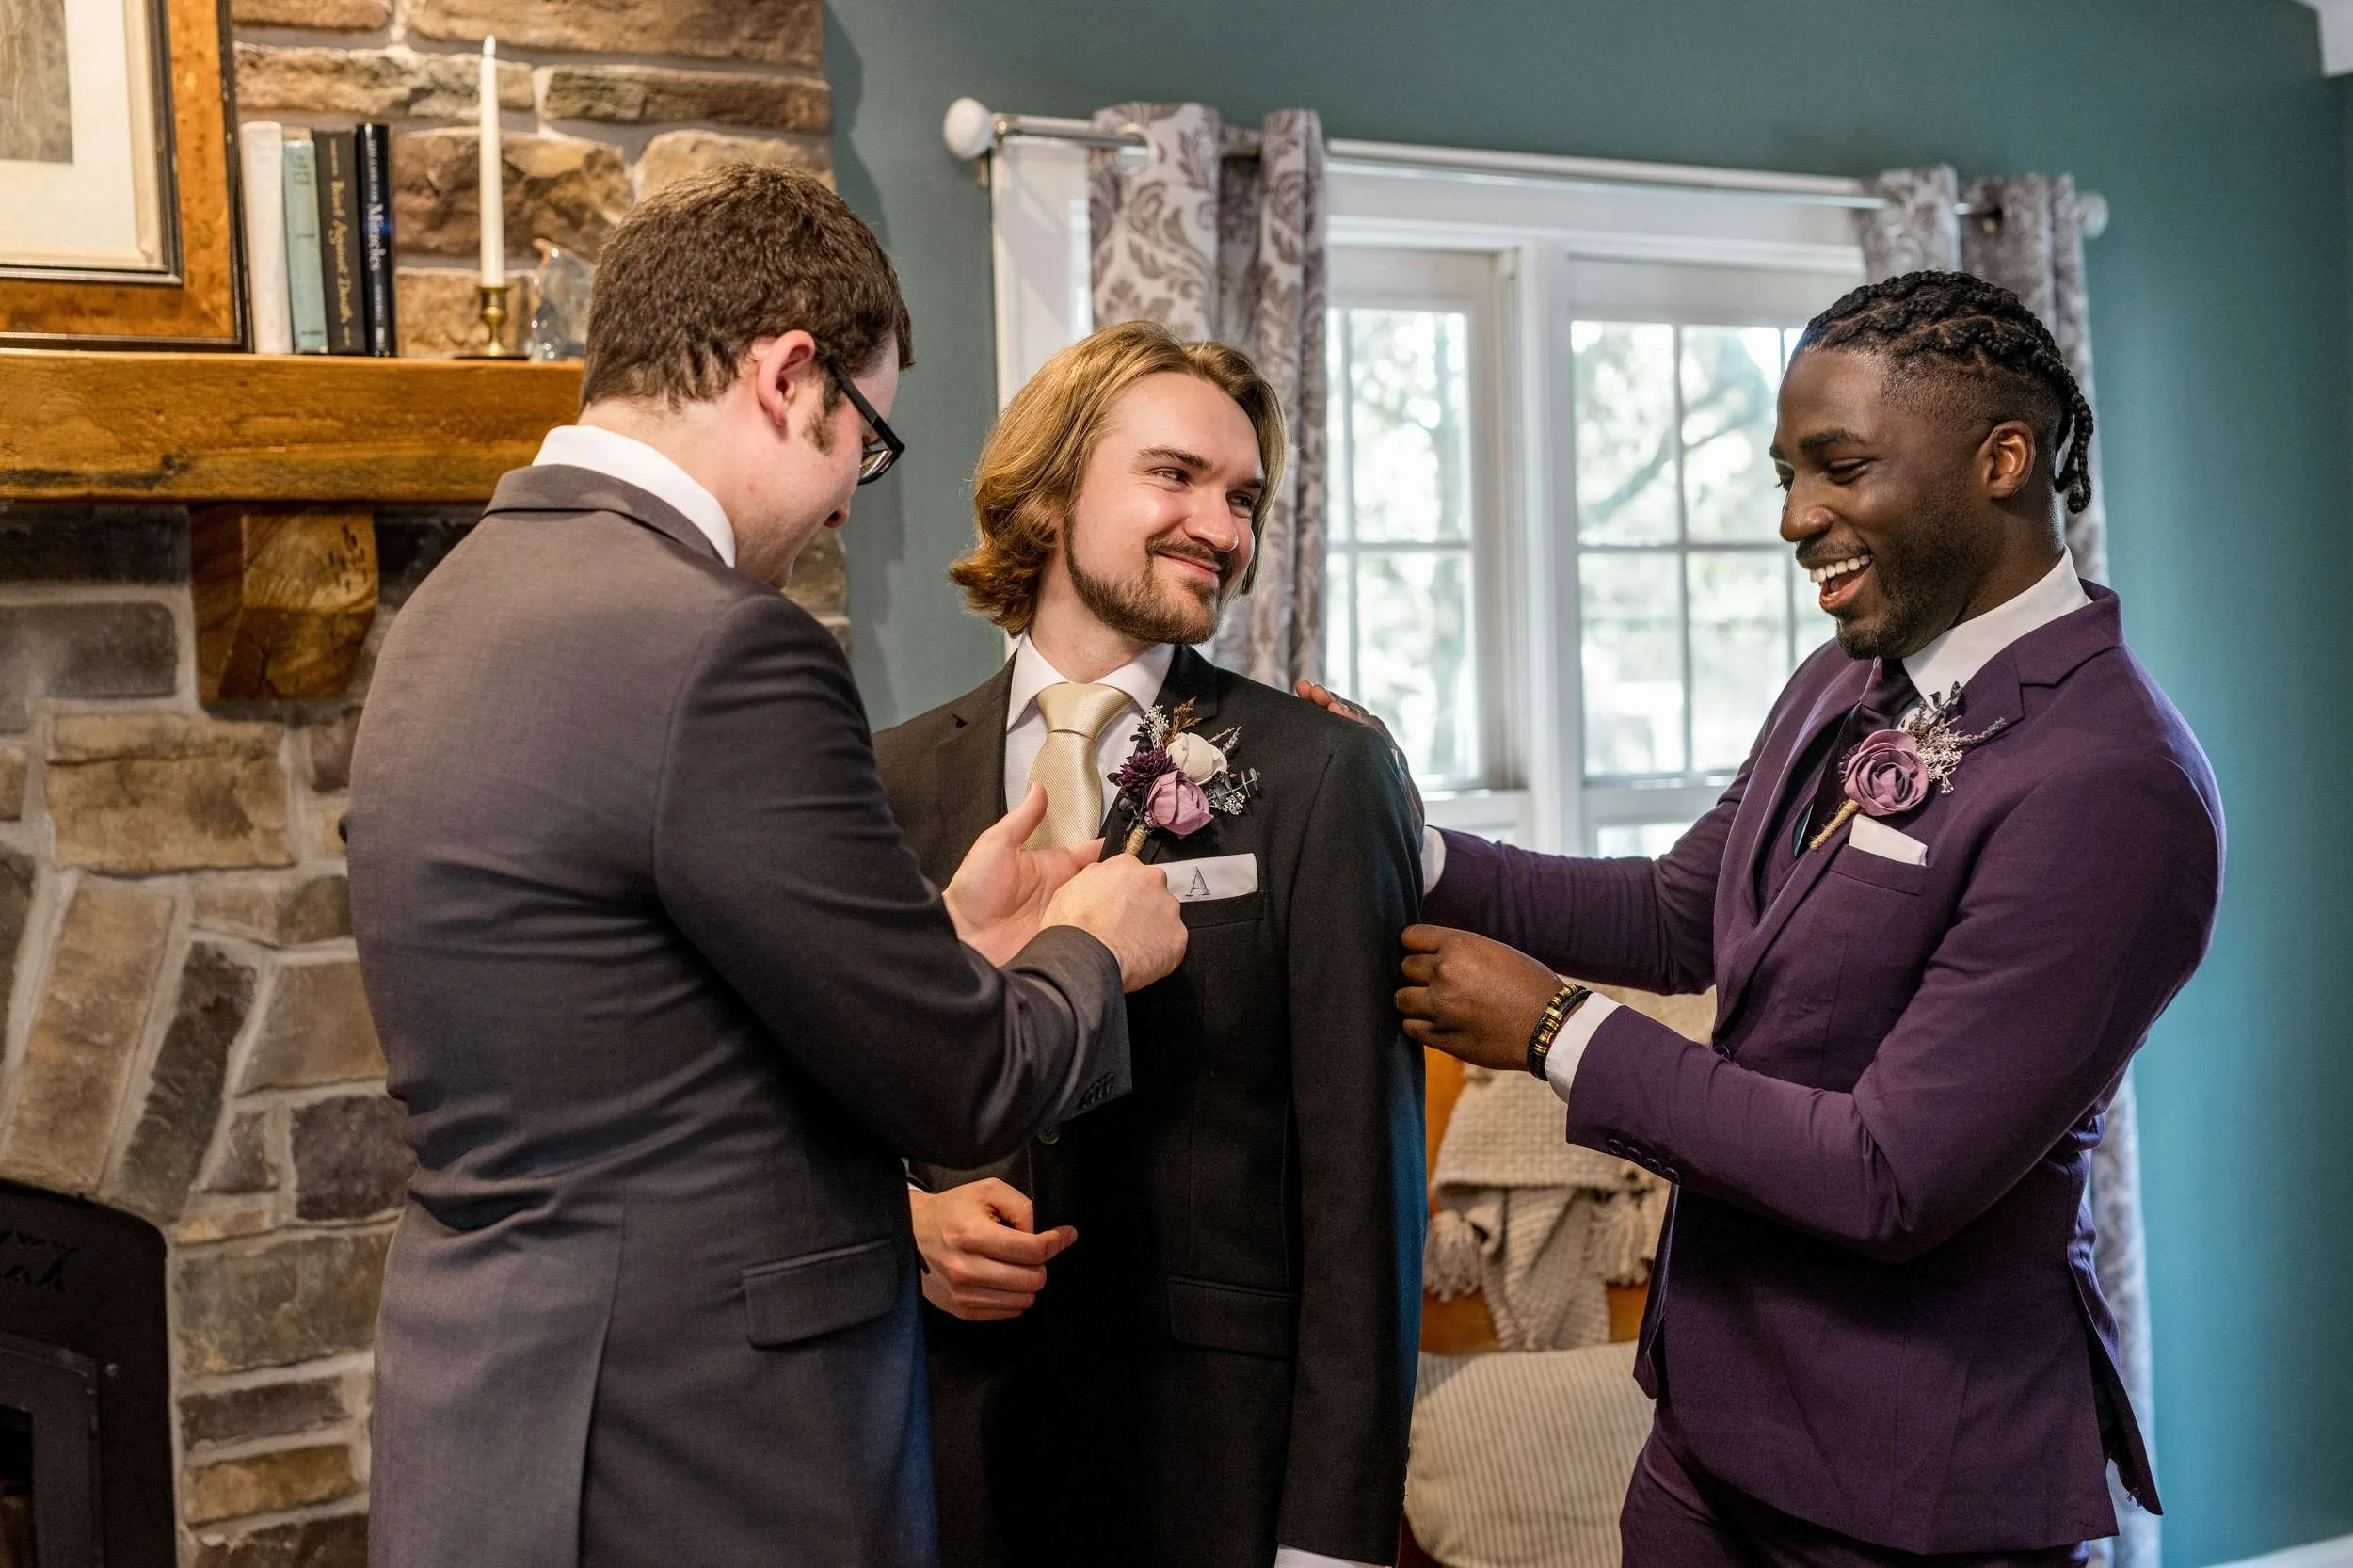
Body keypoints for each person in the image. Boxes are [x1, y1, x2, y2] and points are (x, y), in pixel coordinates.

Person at [347, 168, 1187, 1568]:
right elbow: (962, 1080)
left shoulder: (452, 607)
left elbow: (632, 1010)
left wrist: (941, 935)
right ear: (790, 375)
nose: (854, 502)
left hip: (489, 1422)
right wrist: (1088, 948)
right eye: (866, 442)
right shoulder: (726, 642)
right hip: (705, 1449)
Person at [1336, 272, 2224, 1566]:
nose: (1798, 516)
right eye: (1785, 476)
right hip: (1709, 1435)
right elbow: (1677, 910)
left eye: (1840, 466)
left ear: (2004, 459)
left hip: (1914, 1488)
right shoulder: (1843, 678)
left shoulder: (2115, 783)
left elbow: (1891, 1171)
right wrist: (1404, 842)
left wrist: (1557, 1032)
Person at [872, 319, 1424, 1568]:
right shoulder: (882, 779)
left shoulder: (1325, 774)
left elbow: (1363, 1193)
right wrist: (906, 1216)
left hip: (1211, 1470)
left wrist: (1333, 1541)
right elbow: (824, 1102)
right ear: (1053, 481)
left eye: (1244, 498)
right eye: (1174, 476)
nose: (1222, 529)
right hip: (944, 1452)